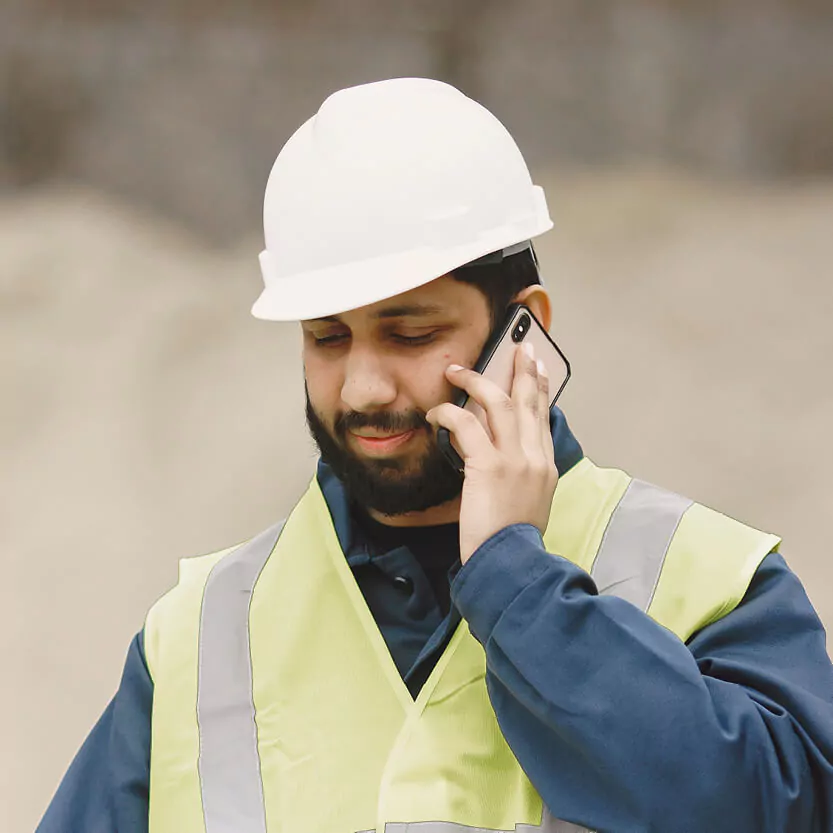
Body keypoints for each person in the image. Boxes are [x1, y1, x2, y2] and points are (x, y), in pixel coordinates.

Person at [38, 77, 833, 833]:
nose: (361, 388)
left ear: (522, 331)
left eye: (410, 333)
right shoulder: (197, 638)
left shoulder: (707, 580)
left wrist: (518, 587)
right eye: (327, 338)